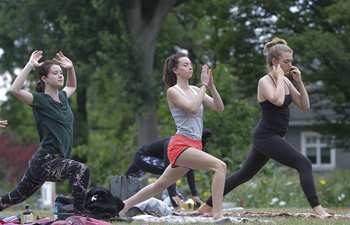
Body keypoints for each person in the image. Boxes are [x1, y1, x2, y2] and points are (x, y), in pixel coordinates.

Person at [198, 37, 330, 218]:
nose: (290, 65)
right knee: (304, 163)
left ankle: (207, 206)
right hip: (266, 136)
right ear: (275, 62)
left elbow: (305, 106)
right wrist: (279, 78)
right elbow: (277, 100)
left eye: (291, 61)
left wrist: (298, 82)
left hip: (273, 136)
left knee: (244, 174)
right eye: (286, 61)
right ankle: (318, 209)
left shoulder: (287, 81)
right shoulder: (265, 81)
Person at [118, 53, 226, 219]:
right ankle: (217, 214)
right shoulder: (172, 92)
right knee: (220, 166)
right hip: (181, 146)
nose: (190, 67)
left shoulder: (196, 90)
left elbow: (219, 108)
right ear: (175, 70)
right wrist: (204, 86)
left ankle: (123, 206)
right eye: (185, 64)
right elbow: (191, 108)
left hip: (195, 145)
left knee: (160, 185)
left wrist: (210, 86)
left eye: (190, 64)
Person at [0, 50, 89, 213]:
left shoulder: (63, 97)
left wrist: (70, 68)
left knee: (14, 198)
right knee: (80, 169)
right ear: (44, 78)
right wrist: (30, 65)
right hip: (45, 161)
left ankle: (77, 214)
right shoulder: (39, 100)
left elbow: (72, 85)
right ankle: (79, 216)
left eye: (60, 73)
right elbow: (14, 90)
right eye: (55, 73)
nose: (60, 75)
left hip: (54, 161)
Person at [125, 129, 213, 208]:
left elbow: (189, 169)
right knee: (170, 174)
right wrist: (173, 198)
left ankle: (122, 194)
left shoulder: (187, 149)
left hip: (154, 159)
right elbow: (169, 174)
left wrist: (195, 194)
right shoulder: (174, 145)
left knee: (126, 179)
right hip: (142, 157)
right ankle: (174, 199)